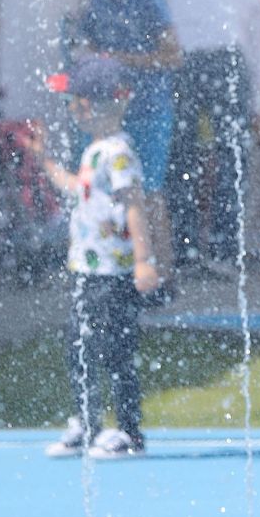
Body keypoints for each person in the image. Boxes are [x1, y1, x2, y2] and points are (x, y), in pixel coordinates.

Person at [34, 55, 158, 459]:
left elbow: (134, 204)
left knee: (114, 349)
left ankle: (128, 430)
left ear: (93, 103)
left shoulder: (118, 151)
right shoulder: (96, 151)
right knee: (80, 345)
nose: (71, 109)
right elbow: (78, 189)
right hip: (88, 272)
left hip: (114, 273)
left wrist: (144, 260)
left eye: (74, 101)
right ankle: (87, 421)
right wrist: (45, 161)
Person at [142, 0, 260, 267]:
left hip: (182, 62)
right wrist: (257, 105)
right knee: (231, 159)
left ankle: (185, 249)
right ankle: (225, 251)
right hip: (227, 61)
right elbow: (257, 52)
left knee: (180, 156)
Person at [79, 0, 181, 297]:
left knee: (149, 192)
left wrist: (118, 61)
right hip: (111, 114)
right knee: (111, 192)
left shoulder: (150, 0)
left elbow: (172, 56)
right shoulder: (97, 5)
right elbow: (88, 56)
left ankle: (164, 277)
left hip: (150, 110)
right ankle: (119, 274)